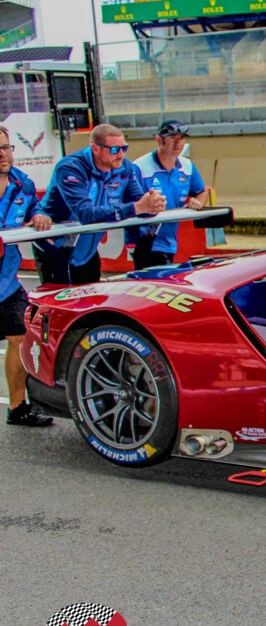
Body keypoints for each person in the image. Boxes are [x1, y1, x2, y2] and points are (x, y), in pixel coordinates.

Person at [34, 123, 166, 285]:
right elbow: (85, 214)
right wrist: (137, 208)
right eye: (113, 150)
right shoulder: (70, 168)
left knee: (91, 303)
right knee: (61, 305)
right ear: (95, 149)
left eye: (124, 148)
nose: (120, 155)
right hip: (56, 249)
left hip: (87, 249)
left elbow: (139, 202)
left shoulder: (124, 167)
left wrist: (154, 204)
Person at [0, 126, 54, 426]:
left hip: (6, 283)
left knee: (20, 337)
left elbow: (36, 209)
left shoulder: (23, 183)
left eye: (6, 147)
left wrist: (38, 215)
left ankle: (18, 408)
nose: (3, 154)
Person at [126, 119, 207, 270]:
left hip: (170, 241)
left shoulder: (187, 166)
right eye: (172, 138)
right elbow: (127, 203)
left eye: (181, 138)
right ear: (159, 140)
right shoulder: (139, 167)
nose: (178, 143)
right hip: (144, 240)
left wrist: (198, 202)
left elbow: (201, 191)